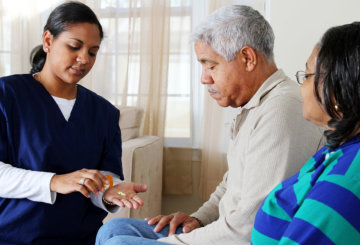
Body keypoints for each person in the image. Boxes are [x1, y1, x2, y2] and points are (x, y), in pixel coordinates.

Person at [96, 5, 325, 245]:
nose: (204, 78)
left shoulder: (281, 111)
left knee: (118, 243)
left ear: (247, 58)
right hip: (227, 231)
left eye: (211, 65)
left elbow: (249, 229)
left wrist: (165, 243)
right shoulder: (256, 106)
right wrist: (198, 219)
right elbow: (232, 184)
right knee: (114, 229)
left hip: (244, 239)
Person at [0, 2, 147, 244]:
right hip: (13, 237)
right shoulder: (7, 95)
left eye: (92, 52)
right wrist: (55, 181)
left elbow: (105, 177)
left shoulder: (104, 113)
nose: (84, 59)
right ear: (48, 40)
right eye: (74, 46)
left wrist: (108, 193)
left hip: (81, 238)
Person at [251, 22, 360, 244]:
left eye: (308, 75)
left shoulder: (349, 179)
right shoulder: (336, 150)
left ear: (337, 89)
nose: (301, 85)